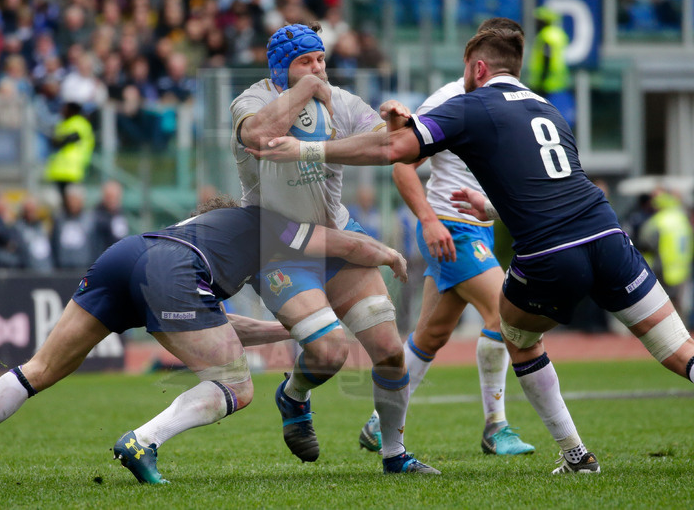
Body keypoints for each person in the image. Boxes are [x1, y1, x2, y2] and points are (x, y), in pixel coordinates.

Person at [251, 26, 694, 474]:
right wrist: (479, 209)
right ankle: (444, 425)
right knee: (678, 349)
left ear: (477, 68)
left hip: (547, 250)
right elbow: (551, 187)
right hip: (605, 235)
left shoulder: (466, 104)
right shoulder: (548, 109)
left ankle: (565, 451)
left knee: (513, 335)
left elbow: (394, 149)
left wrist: (307, 151)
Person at [0, 197, 407, 488]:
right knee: (237, 386)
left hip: (126, 256)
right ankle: (142, 442)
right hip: (173, 271)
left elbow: (211, 325)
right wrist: (387, 253)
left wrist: (289, 330)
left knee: (40, 368)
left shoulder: (201, 228)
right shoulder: (264, 222)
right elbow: (343, 244)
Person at [231, 23, 436, 474]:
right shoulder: (251, 100)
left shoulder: (339, 101)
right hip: (278, 247)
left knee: (388, 349)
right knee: (329, 353)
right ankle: (294, 394)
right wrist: (304, 88)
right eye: (306, 62)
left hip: (337, 238)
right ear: (281, 67)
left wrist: (397, 122)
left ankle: (394, 455)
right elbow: (259, 137)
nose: (319, 70)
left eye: (321, 60)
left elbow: (388, 146)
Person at [357, 18, 534, 458]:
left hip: (479, 228)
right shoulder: (449, 101)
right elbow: (402, 164)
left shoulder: (512, 100)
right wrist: (430, 221)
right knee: (505, 313)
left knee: (430, 336)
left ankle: (379, 424)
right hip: (450, 228)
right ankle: (497, 426)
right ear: (477, 66)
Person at [638, 189, 694, 311]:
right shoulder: (682, 219)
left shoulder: (657, 221)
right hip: (681, 269)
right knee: (678, 305)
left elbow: (644, 244)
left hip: (660, 268)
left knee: (661, 306)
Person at [527, 6, 574, 131]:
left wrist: (541, 81)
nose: (536, 24)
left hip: (547, 83)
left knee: (543, 118)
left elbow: (546, 59)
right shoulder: (557, 34)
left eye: (539, 21)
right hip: (558, 82)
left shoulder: (546, 36)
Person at [43, 101, 95, 202]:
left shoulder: (80, 123)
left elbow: (66, 140)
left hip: (73, 171)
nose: (62, 111)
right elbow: (54, 142)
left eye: (65, 109)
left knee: (72, 202)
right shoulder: (63, 124)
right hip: (58, 171)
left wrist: (58, 140)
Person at [92, 180, 130, 256]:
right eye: (110, 197)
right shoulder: (96, 216)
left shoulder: (120, 214)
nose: (113, 200)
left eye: (116, 197)